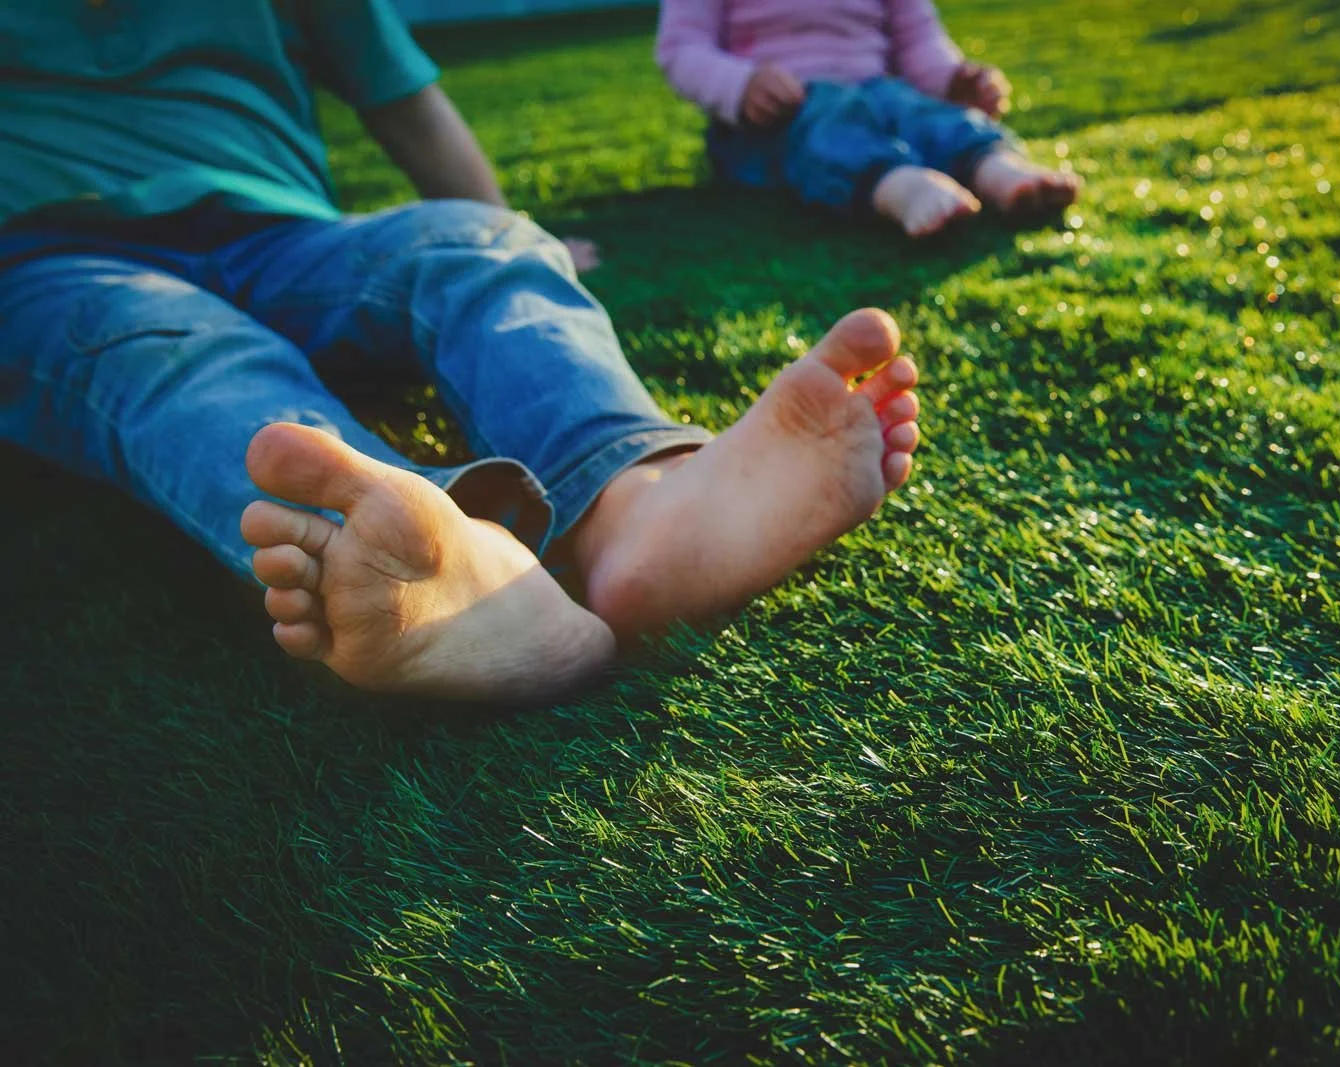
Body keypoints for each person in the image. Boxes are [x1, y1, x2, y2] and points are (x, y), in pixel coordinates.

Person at [0, 0, 922, 701]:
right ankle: (444, 554)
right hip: (55, 257)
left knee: (471, 251)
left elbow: (412, 109)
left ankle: (638, 507)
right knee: (178, 356)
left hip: (288, 236)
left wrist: (499, 224)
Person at [656, 0, 1083, 237]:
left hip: (876, 89)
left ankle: (996, 166)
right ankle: (897, 185)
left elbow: (918, 40)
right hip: (777, 117)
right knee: (828, 128)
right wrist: (740, 85)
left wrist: (953, 81)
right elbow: (682, 48)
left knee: (921, 112)